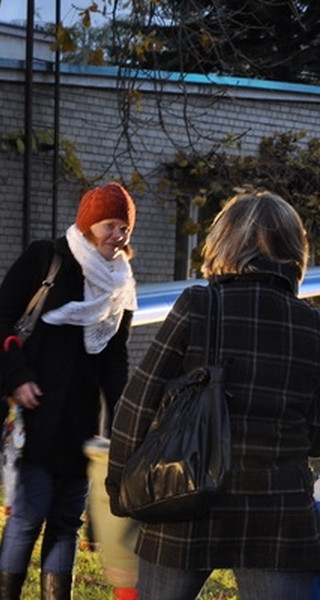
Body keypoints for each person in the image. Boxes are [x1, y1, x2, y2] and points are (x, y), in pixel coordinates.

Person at [106, 191, 320, 599]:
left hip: (185, 496)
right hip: (278, 515)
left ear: (225, 242)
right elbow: (316, 434)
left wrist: (121, 490)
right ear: (294, 250)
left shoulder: (199, 306)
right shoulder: (312, 326)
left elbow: (137, 404)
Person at [0, 182, 138, 600]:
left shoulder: (120, 283)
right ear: (88, 225)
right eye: (110, 225)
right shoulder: (45, 258)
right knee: (29, 515)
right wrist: (18, 377)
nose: (118, 236)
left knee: (67, 520)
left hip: (80, 421)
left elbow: (114, 358)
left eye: (124, 228)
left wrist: (121, 417)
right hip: (33, 412)